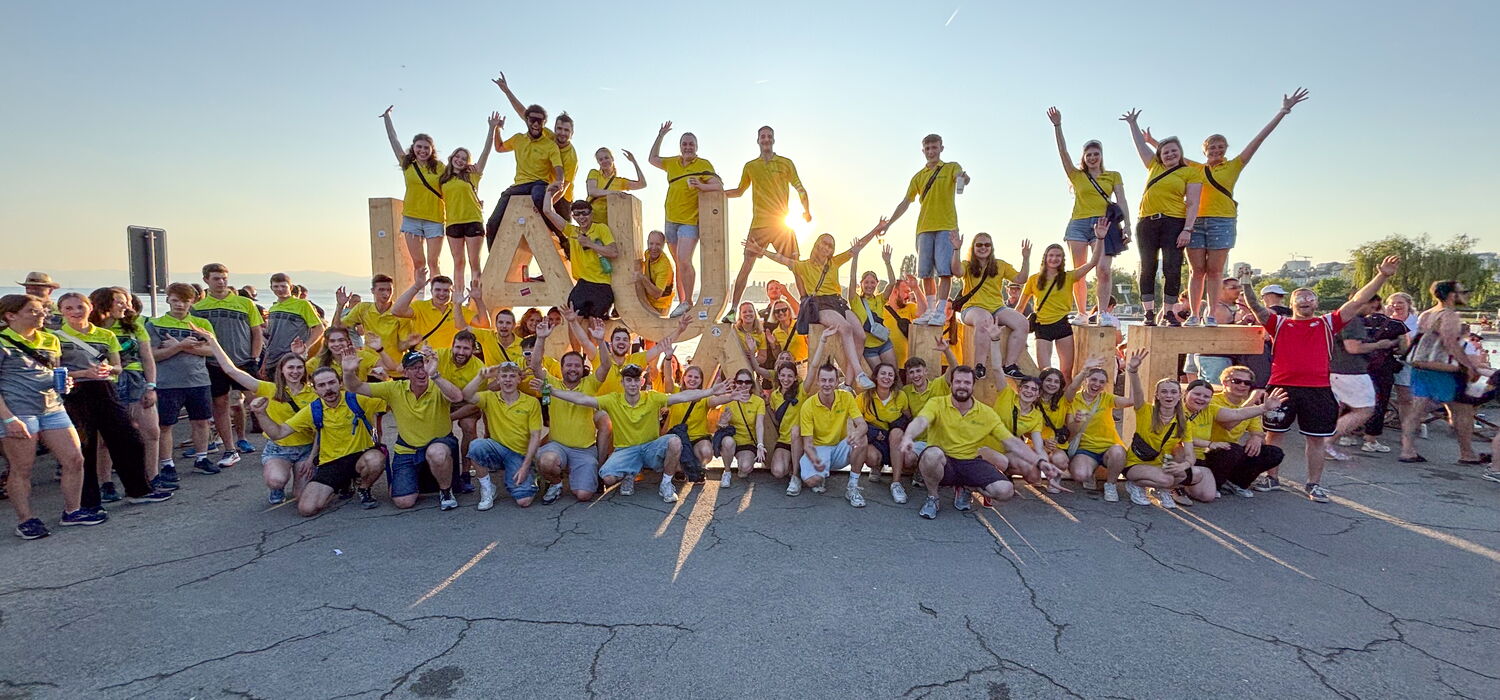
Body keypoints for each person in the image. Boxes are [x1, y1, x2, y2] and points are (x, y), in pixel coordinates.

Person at [1238, 256, 1400, 502]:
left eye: (1310, 297)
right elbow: (1255, 307)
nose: (1305, 301)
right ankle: (1272, 478)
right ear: (1291, 303)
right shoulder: (1278, 323)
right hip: (1282, 388)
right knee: (1274, 435)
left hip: (1318, 388)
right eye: (1300, 298)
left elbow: (1358, 301)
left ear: (1316, 303)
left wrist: (1382, 275)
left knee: (1316, 439)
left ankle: (1313, 484)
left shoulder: (1327, 322)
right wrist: (1246, 282)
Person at [1145, 89, 1311, 326]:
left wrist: (1282, 112)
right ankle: (1194, 314)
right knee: (1196, 271)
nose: (1216, 151)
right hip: (1195, 221)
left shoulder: (1234, 166)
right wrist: (1151, 141)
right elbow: (1170, 155)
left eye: (1220, 147)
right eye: (1212, 147)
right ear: (1204, 150)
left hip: (1221, 221)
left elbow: (1258, 141)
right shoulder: (1195, 168)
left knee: (1215, 271)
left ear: (1225, 149)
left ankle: (1211, 314)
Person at [0, 294, 106, 539]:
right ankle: (26, 520)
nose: (42, 315)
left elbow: (53, 370)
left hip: (52, 408)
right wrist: (8, 418)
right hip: (19, 411)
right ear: (11, 315)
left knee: (74, 459)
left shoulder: (50, 339)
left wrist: (65, 382)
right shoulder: (3, 342)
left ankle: (72, 511)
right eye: (33, 311)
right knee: (22, 468)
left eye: (42, 310)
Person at [56, 292, 172, 514]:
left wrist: (109, 369)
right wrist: (84, 373)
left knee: (129, 439)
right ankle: (89, 502)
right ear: (61, 311)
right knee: (85, 447)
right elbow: (55, 371)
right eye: (69, 308)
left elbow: (118, 366)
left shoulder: (105, 334)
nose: (75, 312)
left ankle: (139, 490)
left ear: (90, 307)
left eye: (80, 307)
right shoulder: (56, 337)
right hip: (75, 394)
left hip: (105, 389)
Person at [547, 364, 727, 503]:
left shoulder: (652, 397)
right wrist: (553, 391)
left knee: (674, 441)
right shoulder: (613, 400)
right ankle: (629, 473)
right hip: (626, 450)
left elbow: (681, 396)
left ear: (641, 382)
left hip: (650, 448)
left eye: (636, 380)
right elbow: (582, 399)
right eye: (628, 380)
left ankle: (666, 483)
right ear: (622, 383)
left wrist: (711, 391)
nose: (632, 384)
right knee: (607, 478)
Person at [750, 224, 887, 390]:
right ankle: (859, 373)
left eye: (830, 246)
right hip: (821, 303)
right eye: (824, 243)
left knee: (860, 335)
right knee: (845, 328)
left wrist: (876, 229)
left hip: (838, 302)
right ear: (817, 244)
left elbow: (857, 246)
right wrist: (761, 250)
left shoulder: (834, 262)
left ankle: (848, 383)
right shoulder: (804, 266)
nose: (827, 247)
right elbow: (782, 259)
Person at [901, 365, 1042, 519]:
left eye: (967, 382)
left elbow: (1011, 441)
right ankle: (933, 497)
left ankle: (967, 487)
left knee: (1005, 491)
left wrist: (1040, 463)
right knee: (931, 454)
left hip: (971, 461)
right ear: (951, 384)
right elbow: (921, 421)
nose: (962, 386)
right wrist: (908, 436)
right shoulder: (937, 403)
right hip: (945, 461)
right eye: (958, 382)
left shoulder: (985, 412)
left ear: (973, 385)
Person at [252, 367, 387, 515]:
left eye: (331, 383)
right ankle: (342, 484)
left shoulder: (358, 400)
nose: (328, 388)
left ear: (340, 383)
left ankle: (364, 488)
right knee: (306, 509)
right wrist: (261, 413)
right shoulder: (313, 409)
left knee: (376, 459)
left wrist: (385, 379)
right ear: (315, 389)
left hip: (360, 455)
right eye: (321, 385)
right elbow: (278, 433)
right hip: (331, 462)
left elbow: (390, 399)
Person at [203, 335, 317, 505]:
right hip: (279, 448)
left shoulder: (314, 395)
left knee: (301, 496)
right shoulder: (270, 389)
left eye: (299, 367)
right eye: (290, 367)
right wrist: (213, 342)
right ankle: (276, 488)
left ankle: (300, 481)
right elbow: (231, 370)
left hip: (306, 448)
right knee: (276, 480)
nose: (295, 371)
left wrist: (312, 457)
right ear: (282, 370)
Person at [1047, 108, 1133, 326]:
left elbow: (1122, 200)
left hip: (1102, 224)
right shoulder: (1077, 175)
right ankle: (1082, 312)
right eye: (1089, 155)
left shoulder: (1113, 176)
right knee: (1079, 271)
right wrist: (1057, 126)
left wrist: (1128, 226)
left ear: (1101, 156)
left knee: (1103, 269)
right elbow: (1063, 153)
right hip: (1078, 224)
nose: (1093, 158)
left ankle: (1103, 312)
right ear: (1084, 158)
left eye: (1096, 154)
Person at [1121, 109, 1203, 327]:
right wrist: (1132, 124)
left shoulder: (1190, 172)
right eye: (1165, 152)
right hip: (1147, 221)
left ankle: (1168, 312)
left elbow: (1193, 202)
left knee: (1172, 267)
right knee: (1147, 266)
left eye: (1174, 151)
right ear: (1160, 154)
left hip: (1173, 222)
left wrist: (1187, 229)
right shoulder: (1154, 166)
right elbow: (1141, 147)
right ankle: (1148, 312)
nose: (1169, 155)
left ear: (1180, 152)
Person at [723, 125, 812, 320]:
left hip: (782, 225)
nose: (766, 139)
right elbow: (739, 191)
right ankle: (733, 309)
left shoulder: (786, 163)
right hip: (759, 225)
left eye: (769, 136)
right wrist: (715, 194)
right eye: (762, 136)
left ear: (773, 140)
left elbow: (800, 188)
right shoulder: (750, 166)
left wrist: (806, 210)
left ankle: (806, 305)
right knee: (746, 266)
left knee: (796, 266)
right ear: (758, 141)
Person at [884, 134, 970, 327]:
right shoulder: (918, 176)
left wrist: (963, 178)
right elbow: (906, 202)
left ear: (941, 148)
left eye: (934, 147)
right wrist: (889, 223)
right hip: (924, 228)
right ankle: (930, 310)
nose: (931, 152)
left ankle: (940, 310)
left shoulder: (950, 167)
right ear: (923, 151)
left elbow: (962, 178)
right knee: (925, 272)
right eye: (928, 148)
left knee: (945, 271)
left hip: (946, 226)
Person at [91, 287, 170, 493]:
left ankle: (152, 477)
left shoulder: (134, 326)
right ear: (104, 303)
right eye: (119, 301)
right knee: (106, 439)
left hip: (136, 380)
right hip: (107, 383)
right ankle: (106, 483)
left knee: (151, 431)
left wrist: (151, 386)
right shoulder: (91, 328)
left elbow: (147, 358)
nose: (125, 305)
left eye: (126, 301)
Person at [1401, 279, 1487, 466]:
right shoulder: (1449, 315)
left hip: (1421, 365)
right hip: (1442, 368)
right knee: (1462, 410)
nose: (1465, 295)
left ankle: (1407, 450)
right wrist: (1468, 366)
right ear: (1451, 295)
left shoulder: (1427, 313)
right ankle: (1467, 453)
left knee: (1416, 409)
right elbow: (1450, 343)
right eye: (1462, 292)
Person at [193, 263, 265, 463]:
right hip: (214, 364)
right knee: (221, 405)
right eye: (216, 278)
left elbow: (257, 332)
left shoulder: (245, 303)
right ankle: (230, 449)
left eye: (224, 278)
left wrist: (254, 357)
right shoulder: (198, 308)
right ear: (206, 280)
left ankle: (273, 443)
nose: (221, 282)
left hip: (243, 361)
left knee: (258, 401)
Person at [648, 121, 720, 318]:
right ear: (680, 146)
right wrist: (661, 135)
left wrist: (701, 186)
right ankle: (682, 303)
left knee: (684, 259)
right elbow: (652, 159)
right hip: (671, 220)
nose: (688, 147)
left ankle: (688, 301)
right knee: (678, 263)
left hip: (689, 221)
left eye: (691, 144)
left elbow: (718, 186)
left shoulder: (703, 165)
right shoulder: (673, 163)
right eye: (685, 144)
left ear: (696, 147)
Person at [148, 282, 219, 478]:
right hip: (167, 382)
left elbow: (212, 350)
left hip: (199, 380)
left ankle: (202, 458)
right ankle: (167, 464)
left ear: (192, 302)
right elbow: (152, 355)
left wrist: (180, 346)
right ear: (168, 300)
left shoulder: (201, 323)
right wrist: (181, 347)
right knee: (165, 425)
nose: (180, 305)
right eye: (175, 300)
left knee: (202, 422)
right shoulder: (155, 324)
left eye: (185, 301)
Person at [528, 320, 604, 504]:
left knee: (584, 495)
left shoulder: (590, 384)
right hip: (558, 446)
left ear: (583, 368)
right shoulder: (552, 383)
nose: (573, 369)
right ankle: (555, 483)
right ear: (561, 368)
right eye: (568, 365)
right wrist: (540, 338)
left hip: (584, 450)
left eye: (577, 365)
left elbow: (606, 366)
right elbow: (535, 366)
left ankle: (576, 473)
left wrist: (601, 342)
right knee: (546, 461)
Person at [493, 71, 577, 232]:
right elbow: (524, 114)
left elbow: (564, 186)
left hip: (561, 197)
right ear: (553, 129)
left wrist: (547, 206)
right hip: (541, 189)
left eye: (566, 130)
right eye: (559, 129)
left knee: (562, 233)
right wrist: (507, 91)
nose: (562, 133)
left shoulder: (571, 157)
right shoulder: (548, 137)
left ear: (572, 133)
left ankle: (567, 245)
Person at [484, 94, 565, 251]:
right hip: (519, 185)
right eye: (532, 120)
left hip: (539, 183)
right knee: (492, 222)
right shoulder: (518, 139)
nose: (535, 124)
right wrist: (497, 129)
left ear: (544, 123)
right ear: (527, 120)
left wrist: (559, 181)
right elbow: (499, 148)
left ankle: (562, 238)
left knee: (540, 200)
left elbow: (558, 167)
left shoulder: (550, 145)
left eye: (539, 121)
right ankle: (494, 258)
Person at [1196, 366, 1287, 498]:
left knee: (1273, 453)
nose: (1242, 385)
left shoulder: (1252, 407)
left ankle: (1235, 483)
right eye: (1237, 381)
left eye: (1247, 383)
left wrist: (1256, 438)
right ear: (1224, 382)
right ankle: (1215, 484)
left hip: (1230, 452)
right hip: (1207, 451)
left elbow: (1259, 432)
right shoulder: (1212, 400)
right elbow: (1229, 424)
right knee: (1232, 449)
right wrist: (1252, 401)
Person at [1016, 239, 1103, 377]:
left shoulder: (1069, 276)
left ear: (1062, 259)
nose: (1054, 259)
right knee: (1044, 372)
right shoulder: (1034, 279)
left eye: (1058, 256)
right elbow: (1020, 307)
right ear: (1045, 258)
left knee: (1066, 372)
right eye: (1051, 255)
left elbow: (1093, 262)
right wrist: (1008, 325)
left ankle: (1065, 391)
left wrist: (1100, 239)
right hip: (1042, 326)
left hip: (1062, 325)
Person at [463, 362, 544, 510]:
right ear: (498, 379)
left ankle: (530, 474)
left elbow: (535, 436)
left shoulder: (531, 402)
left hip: (519, 454)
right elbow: (467, 395)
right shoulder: (490, 397)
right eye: (504, 376)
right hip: (497, 449)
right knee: (476, 446)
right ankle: (488, 489)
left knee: (524, 501)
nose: (508, 380)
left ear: (519, 379)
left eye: (512, 376)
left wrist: (525, 466)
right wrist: (480, 377)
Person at [1067, 352, 1145, 502]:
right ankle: (1090, 472)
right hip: (1085, 449)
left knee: (1119, 452)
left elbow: (1132, 401)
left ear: (1105, 385)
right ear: (1086, 380)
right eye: (1093, 380)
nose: (1097, 384)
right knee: (1080, 474)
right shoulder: (1074, 400)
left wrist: (1132, 372)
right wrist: (1076, 421)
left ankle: (1111, 484)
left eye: (1101, 382)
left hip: (1108, 447)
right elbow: (1072, 431)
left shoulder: (1106, 398)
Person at [379, 106, 446, 277]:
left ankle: (438, 290)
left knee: (434, 262)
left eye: (426, 148)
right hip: (412, 218)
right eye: (419, 147)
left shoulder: (440, 167)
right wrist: (387, 118)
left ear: (432, 150)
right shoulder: (408, 164)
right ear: (413, 147)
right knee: (418, 263)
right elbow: (393, 140)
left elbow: (454, 185)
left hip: (435, 218)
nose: (422, 150)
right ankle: (420, 291)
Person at [441, 112, 502, 294]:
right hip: (452, 223)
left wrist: (492, 128)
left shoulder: (472, 175)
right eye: (457, 157)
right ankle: (458, 297)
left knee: (475, 263)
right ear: (452, 158)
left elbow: (485, 153)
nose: (459, 160)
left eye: (463, 158)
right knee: (458, 263)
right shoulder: (443, 178)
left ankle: (477, 297)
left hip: (473, 221)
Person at [955, 233, 1031, 378]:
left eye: (987, 245)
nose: (983, 247)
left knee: (1023, 322)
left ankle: (1010, 365)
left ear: (991, 247)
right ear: (973, 247)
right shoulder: (967, 265)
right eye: (979, 245)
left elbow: (1021, 279)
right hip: (972, 308)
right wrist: (956, 250)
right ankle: (979, 366)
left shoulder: (1000, 265)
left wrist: (1026, 258)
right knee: (984, 319)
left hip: (997, 307)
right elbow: (957, 272)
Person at [1326, 296, 1392, 460]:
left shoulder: (1336, 318)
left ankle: (1324, 441)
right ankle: (1327, 441)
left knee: (1339, 408)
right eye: (1372, 307)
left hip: (1336, 369)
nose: (1371, 312)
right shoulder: (1352, 320)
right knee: (1364, 410)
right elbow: (1353, 347)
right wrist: (1379, 345)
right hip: (1352, 371)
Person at [1120, 377, 1201, 508]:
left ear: (1180, 396)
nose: (1169, 395)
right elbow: (1138, 392)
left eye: (1173, 392)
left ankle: (1162, 489)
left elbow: (1190, 455)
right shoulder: (1145, 410)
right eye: (1164, 392)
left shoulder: (1184, 422)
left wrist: (1183, 465)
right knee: (1167, 479)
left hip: (1161, 464)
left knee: (1184, 474)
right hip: (1136, 463)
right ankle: (1135, 485)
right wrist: (1133, 372)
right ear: (1157, 395)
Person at [540, 188, 619, 319]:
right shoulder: (572, 231)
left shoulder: (601, 228)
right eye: (577, 214)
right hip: (582, 284)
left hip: (601, 284)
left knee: (595, 323)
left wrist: (590, 244)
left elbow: (614, 252)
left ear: (591, 214)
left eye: (584, 213)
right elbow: (548, 212)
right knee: (573, 319)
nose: (581, 217)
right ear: (573, 216)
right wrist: (549, 192)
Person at [798, 363, 870, 506]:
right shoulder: (808, 405)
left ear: (837, 382)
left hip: (839, 448)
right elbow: (807, 444)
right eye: (823, 380)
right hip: (818, 449)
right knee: (811, 481)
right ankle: (820, 475)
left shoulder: (846, 397)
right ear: (818, 382)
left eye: (831, 380)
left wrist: (856, 434)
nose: (827, 384)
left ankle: (852, 487)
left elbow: (863, 425)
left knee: (862, 438)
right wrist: (815, 460)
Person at [663, 363, 732, 483]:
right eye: (689, 376)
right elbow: (668, 378)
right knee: (676, 458)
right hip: (677, 438)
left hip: (697, 438)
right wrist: (668, 359)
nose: (692, 379)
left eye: (696, 377)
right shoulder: (675, 391)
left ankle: (698, 467)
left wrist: (732, 396)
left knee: (706, 452)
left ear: (701, 381)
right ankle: (680, 469)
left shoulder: (704, 396)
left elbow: (716, 400)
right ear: (684, 377)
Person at [336, 275, 411, 375]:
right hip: (370, 368)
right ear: (372, 291)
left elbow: (402, 346)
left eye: (389, 290)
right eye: (381, 290)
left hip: (395, 369)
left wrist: (412, 342)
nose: (386, 293)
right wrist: (340, 306)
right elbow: (337, 328)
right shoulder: (363, 308)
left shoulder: (399, 313)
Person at [856, 361, 908, 494]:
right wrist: (873, 434)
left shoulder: (901, 396)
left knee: (896, 434)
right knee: (871, 457)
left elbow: (907, 418)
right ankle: (876, 466)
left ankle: (896, 482)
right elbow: (856, 422)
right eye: (883, 373)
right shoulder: (864, 398)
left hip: (894, 439)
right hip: (875, 439)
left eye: (890, 375)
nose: (886, 377)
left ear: (894, 379)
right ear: (876, 377)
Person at [392, 268, 473, 353]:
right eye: (438, 290)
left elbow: (481, 323)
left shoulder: (459, 310)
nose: (441, 294)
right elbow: (396, 311)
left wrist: (477, 299)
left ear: (452, 292)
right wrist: (416, 287)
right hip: (425, 356)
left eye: (446, 290)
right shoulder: (420, 306)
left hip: (449, 358)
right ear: (431, 291)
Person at [847, 248, 901, 375]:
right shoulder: (855, 300)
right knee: (880, 377)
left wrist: (887, 262)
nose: (869, 285)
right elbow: (852, 278)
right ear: (861, 284)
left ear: (877, 283)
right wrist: (855, 257)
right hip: (869, 348)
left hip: (884, 343)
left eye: (872, 282)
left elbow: (892, 282)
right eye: (866, 282)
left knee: (894, 374)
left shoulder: (879, 299)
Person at [1379, 293, 1420, 453]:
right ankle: (1371, 430)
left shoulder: (1417, 322)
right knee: (1380, 396)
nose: (1396, 305)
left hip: (1407, 362)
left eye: (1400, 302)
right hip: (1385, 362)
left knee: (1406, 398)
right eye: (1393, 303)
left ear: (1408, 304)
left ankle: (1406, 432)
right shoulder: (1384, 319)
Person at [716, 368, 768, 489]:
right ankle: (727, 472)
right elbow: (720, 426)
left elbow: (759, 424)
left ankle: (743, 463)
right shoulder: (729, 400)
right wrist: (723, 423)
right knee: (727, 441)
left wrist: (760, 444)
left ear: (752, 384)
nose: (743, 385)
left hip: (748, 442)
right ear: (735, 383)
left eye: (747, 382)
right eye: (740, 382)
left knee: (744, 469)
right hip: (732, 441)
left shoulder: (758, 402)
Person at [262, 273, 325, 370]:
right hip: (272, 359)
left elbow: (319, 328)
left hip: (292, 358)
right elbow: (271, 337)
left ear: (290, 287)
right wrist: (264, 362)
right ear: (271, 288)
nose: (280, 289)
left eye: (283, 286)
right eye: (276, 286)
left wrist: (305, 347)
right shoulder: (273, 308)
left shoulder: (302, 304)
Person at [1195, 277, 1247, 386]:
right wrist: (1243, 323)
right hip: (1215, 356)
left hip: (1214, 355)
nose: (1238, 290)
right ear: (1220, 290)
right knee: (1216, 388)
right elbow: (1222, 333)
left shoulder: (1220, 307)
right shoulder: (1218, 308)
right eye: (1233, 288)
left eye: (1239, 287)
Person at [767, 360, 807, 495]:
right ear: (778, 376)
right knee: (778, 472)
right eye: (783, 375)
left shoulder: (801, 390)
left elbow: (813, 368)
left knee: (795, 430)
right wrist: (767, 406)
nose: (786, 379)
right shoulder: (775, 395)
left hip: (800, 439)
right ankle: (791, 463)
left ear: (795, 377)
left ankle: (795, 476)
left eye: (790, 376)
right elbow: (777, 421)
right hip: (784, 439)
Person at [585, 147, 647, 227]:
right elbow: (592, 191)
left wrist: (634, 162)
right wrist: (614, 192)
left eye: (606, 158)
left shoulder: (619, 181)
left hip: (609, 223)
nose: (604, 161)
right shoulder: (594, 173)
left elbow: (642, 184)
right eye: (600, 159)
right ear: (598, 162)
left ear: (612, 158)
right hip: (592, 221)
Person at [636, 229, 675, 317]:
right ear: (647, 243)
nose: (653, 248)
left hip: (661, 305)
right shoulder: (647, 253)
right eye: (651, 243)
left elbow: (657, 294)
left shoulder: (664, 265)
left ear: (663, 245)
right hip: (648, 300)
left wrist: (643, 278)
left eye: (658, 244)